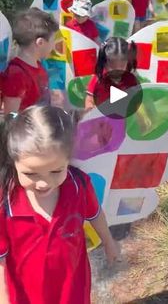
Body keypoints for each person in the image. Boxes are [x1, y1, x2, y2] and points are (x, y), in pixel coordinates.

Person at [0, 105, 119, 304]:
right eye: (30, 173)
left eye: (56, 171)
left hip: (72, 289)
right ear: (14, 163)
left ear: (68, 159)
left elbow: (95, 214)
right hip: (25, 295)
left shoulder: (79, 186)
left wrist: (109, 242)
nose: (44, 183)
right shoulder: (5, 204)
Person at [2, 8, 59, 115]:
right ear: (40, 42)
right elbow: (10, 117)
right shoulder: (17, 74)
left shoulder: (38, 65)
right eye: (52, 40)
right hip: (27, 131)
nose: (54, 46)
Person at [85, 37, 138, 109]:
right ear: (104, 63)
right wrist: (92, 109)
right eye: (113, 66)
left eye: (122, 65)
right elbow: (89, 101)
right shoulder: (99, 79)